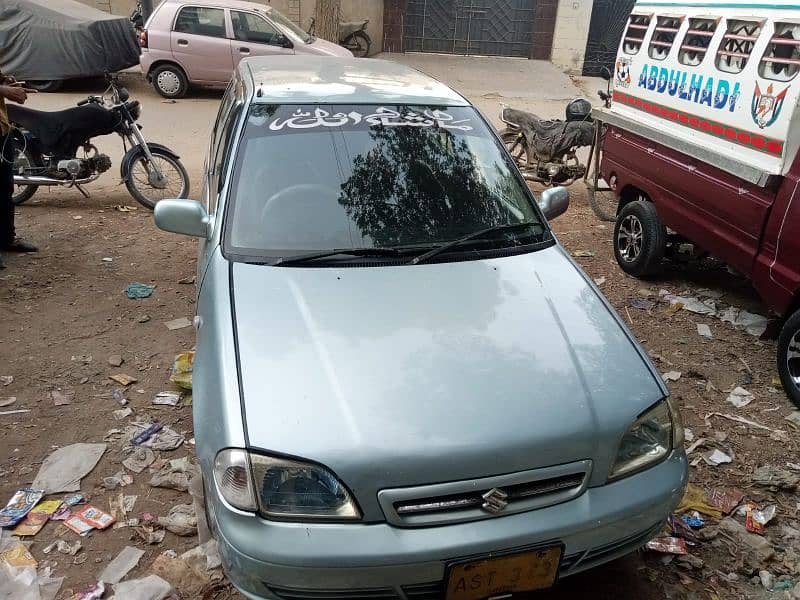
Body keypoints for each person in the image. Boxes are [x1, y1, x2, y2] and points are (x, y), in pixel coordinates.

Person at [0, 73, 37, 269]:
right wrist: (4, 90)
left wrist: (6, 83)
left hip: (2, 129)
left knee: (6, 187)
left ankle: (7, 239)